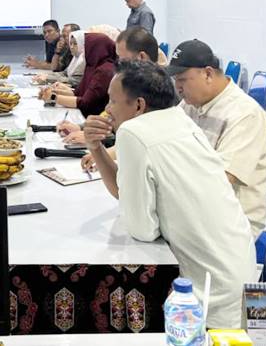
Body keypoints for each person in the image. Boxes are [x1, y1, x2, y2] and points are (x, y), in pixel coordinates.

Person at [83, 60, 255, 328]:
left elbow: (142, 229)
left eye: (112, 101)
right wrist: (96, 148)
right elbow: (124, 192)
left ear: (139, 105)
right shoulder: (179, 119)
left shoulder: (133, 131)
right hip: (236, 272)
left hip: (205, 296)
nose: (107, 109)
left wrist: (145, 211)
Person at [166, 40, 266, 236]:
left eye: (181, 79)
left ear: (207, 73)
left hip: (231, 226)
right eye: (175, 80)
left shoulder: (245, 115)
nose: (177, 87)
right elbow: (163, 136)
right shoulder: (191, 104)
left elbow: (222, 179)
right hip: (197, 209)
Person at [56, 27, 160, 144]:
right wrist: (83, 128)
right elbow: (110, 116)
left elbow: (144, 138)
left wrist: (100, 140)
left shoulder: (158, 88)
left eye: (121, 58)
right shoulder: (133, 80)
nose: (117, 62)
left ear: (141, 57)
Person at [40, 32, 116, 117]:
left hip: (91, 118)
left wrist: (54, 98)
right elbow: (78, 93)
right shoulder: (92, 65)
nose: (83, 51)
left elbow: (85, 103)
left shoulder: (105, 70)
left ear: (95, 48)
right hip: (82, 114)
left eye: (86, 47)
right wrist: (52, 92)